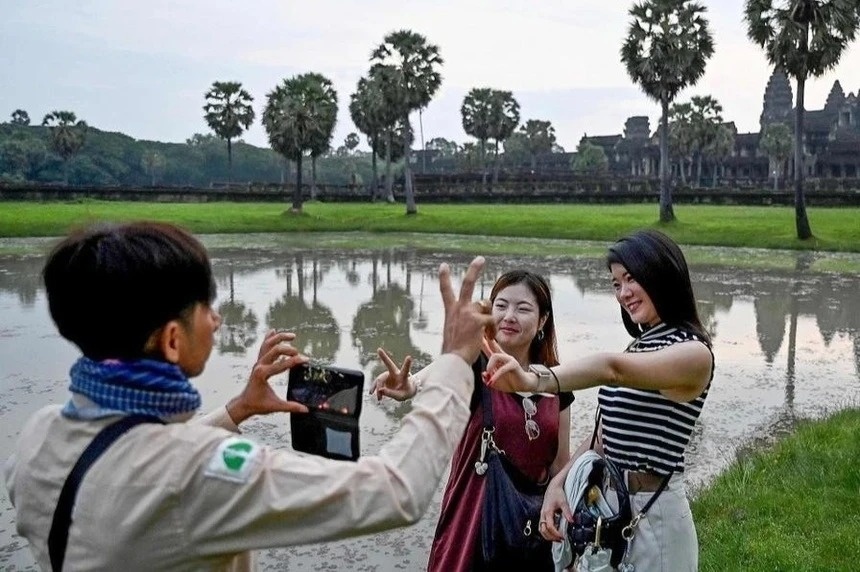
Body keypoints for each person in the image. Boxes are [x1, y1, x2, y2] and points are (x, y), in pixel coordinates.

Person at [3, 221, 495, 571]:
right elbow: (396, 492)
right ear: (172, 339)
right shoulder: (200, 469)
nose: (217, 321)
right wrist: (454, 361)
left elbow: (122, 467)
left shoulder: (39, 434)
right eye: (206, 308)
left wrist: (237, 409)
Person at [485, 230, 714, 571]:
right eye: (616, 283)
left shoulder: (694, 354)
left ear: (663, 275)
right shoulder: (641, 345)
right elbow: (602, 438)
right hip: (612, 505)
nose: (623, 293)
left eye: (632, 279)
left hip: (655, 517)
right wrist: (559, 484)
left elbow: (612, 369)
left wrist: (532, 379)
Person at [371, 270, 574, 571]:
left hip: (531, 533)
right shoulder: (475, 366)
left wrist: (568, 539)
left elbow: (559, 467)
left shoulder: (556, 383)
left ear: (543, 320)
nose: (509, 316)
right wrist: (410, 386)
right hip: (473, 523)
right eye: (501, 305)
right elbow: (442, 371)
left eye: (523, 308)